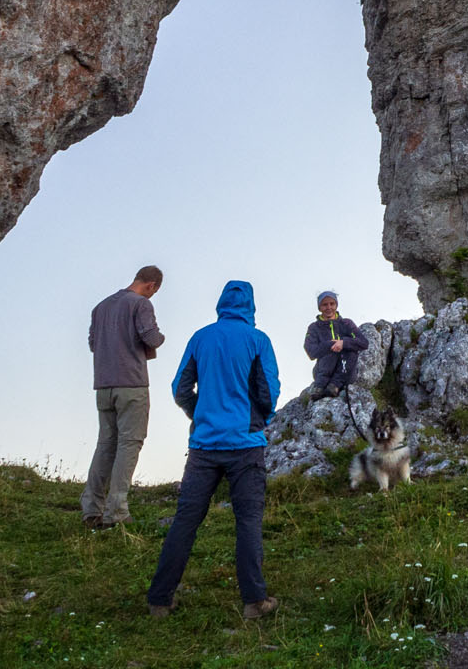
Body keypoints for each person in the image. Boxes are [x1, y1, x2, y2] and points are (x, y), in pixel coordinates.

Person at [147, 280, 281, 620]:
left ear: (221, 303)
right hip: (245, 446)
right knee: (248, 522)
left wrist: (200, 413)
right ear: (250, 305)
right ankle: (254, 601)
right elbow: (268, 391)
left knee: (185, 522)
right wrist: (258, 420)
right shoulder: (257, 340)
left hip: (203, 447)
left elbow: (180, 388)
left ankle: (160, 600)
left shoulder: (200, 337)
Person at [81, 265, 165, 528]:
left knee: (106, 444)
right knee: (130, 443)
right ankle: (116, 511)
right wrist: (160, 338)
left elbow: (93, 344)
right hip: (131, 383)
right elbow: (150, 336)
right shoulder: (140, 304)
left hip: (103, 385)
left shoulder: (101, 307)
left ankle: (91, 508)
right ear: (152, 286)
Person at [303, 290, 369, 400]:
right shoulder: (314, 328)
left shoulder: (347, 323)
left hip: (345, 372)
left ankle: (335, 386)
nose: (329, 307)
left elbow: (363, 343)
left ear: (336, 305)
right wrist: (330, 344)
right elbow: (311, 351)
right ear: (319, 308)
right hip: (323, 373)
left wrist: (343, 343)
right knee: (332, 350)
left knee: (351, 350)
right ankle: (320, 386)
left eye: (332, 304)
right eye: (324, 304)